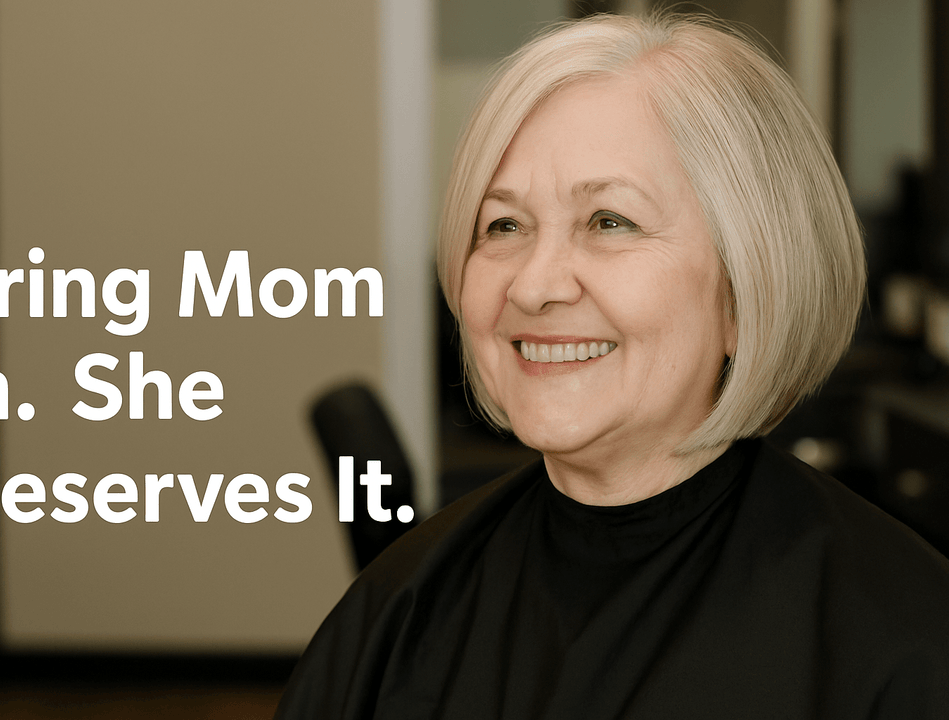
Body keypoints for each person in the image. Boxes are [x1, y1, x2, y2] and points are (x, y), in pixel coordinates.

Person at [275, 12, 949, 719]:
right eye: (503, 225)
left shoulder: (903, 647)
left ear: (746, 293)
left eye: (609, 222)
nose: (533, 287)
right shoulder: (395, 613)